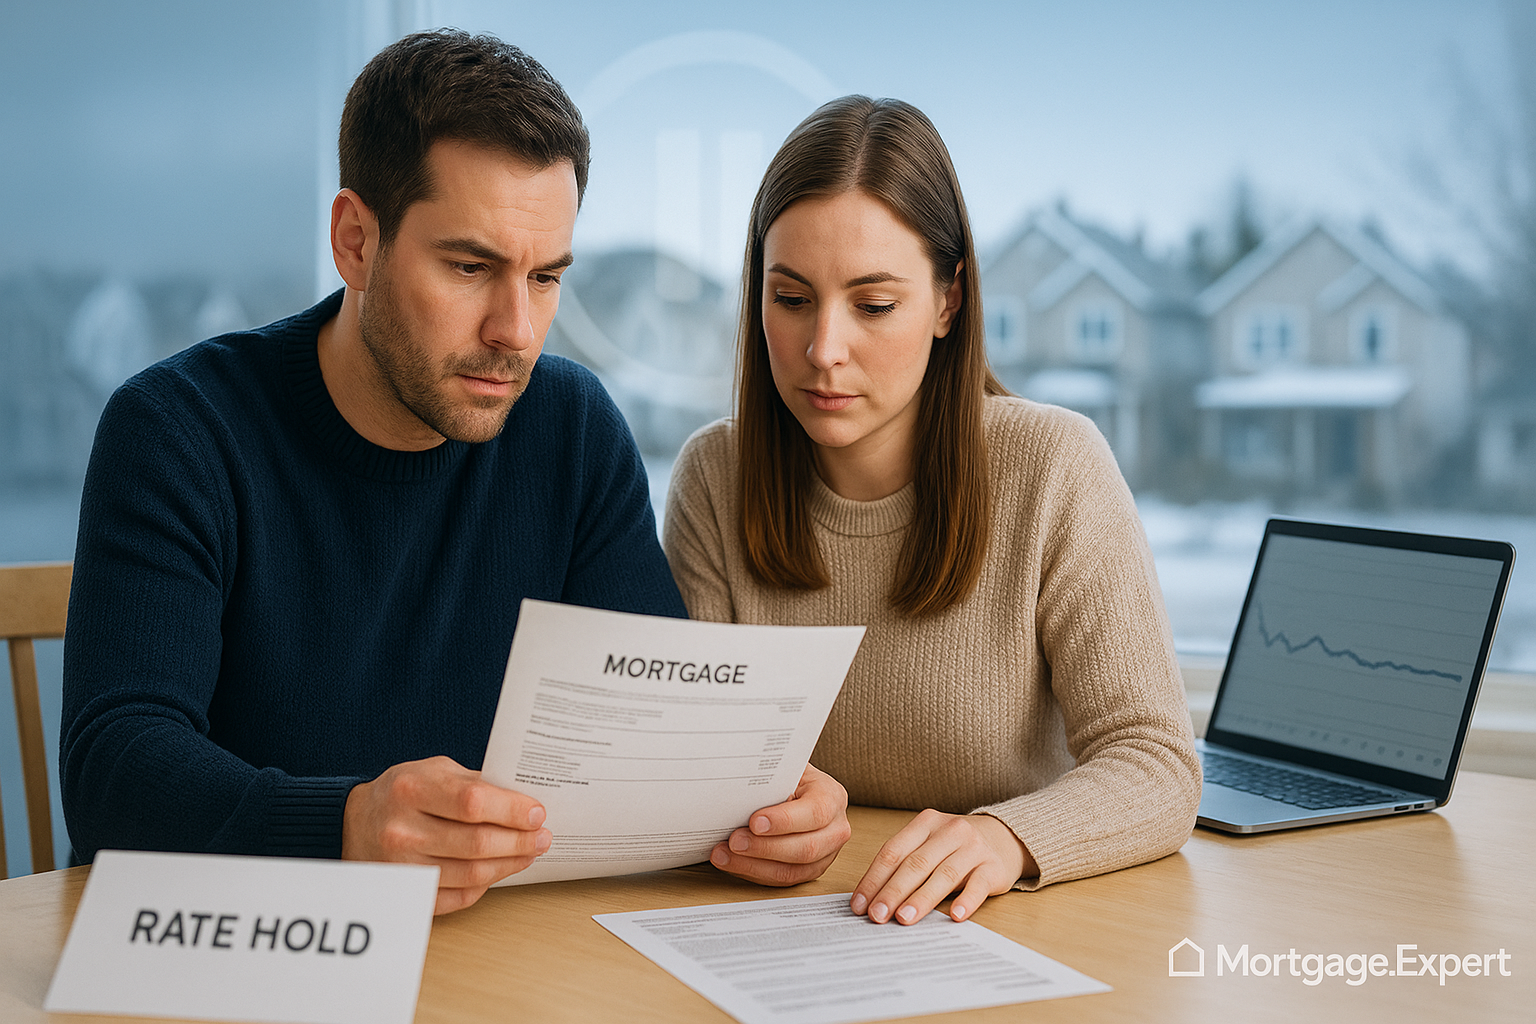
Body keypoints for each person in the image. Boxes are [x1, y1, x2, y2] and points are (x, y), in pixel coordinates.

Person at [61, 30, 689, 915]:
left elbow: (658, 734)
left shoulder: (573, 427)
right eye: (470, 267)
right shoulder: (177, 430)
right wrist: (345, 828)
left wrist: (753, 802)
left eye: (546, 277)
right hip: (251, 960)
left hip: (508, 953)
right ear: (356, 240)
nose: (517, 329)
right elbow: (113, 769)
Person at [664, 95, 1202, 925]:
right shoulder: (714, 474)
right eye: (791, 298)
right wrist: (749, 824)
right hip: (801, 922)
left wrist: (1004, 838)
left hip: (1004, 923)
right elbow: (689, 760)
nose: (823, 350)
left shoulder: (1054, 464)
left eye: (873, 305)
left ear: (949, 301)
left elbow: (1158, 765)